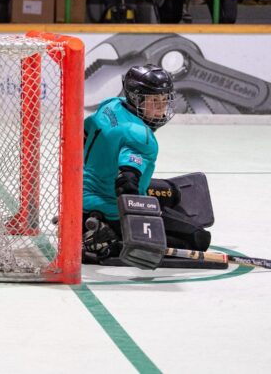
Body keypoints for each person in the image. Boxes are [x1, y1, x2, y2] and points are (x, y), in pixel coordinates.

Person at [82, 64, 214, 264]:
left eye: (164, 99)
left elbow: (83, 135)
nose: (162, 107)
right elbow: (126, 185)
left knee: (173, 192)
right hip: (107, 208)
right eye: (154, 101)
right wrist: (137, 231)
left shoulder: (111, 106)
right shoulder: (140, 135)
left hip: (82, 192)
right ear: (136, 99)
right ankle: (107, 240)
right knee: (199, 238)